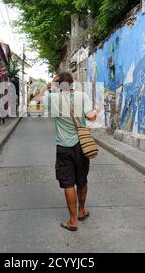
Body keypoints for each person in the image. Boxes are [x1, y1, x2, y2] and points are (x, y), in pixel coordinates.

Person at [35, 72, 100, 232]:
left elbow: (36, 98)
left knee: (68, 183)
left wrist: (48, 85)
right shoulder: (82, 96)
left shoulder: (52, 98)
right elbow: (91, 117)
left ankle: (72, 221)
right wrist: (97, 111)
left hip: (63, 147)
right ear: (72, 83)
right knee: (82, 179)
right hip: (82, 145)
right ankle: (82, 211)